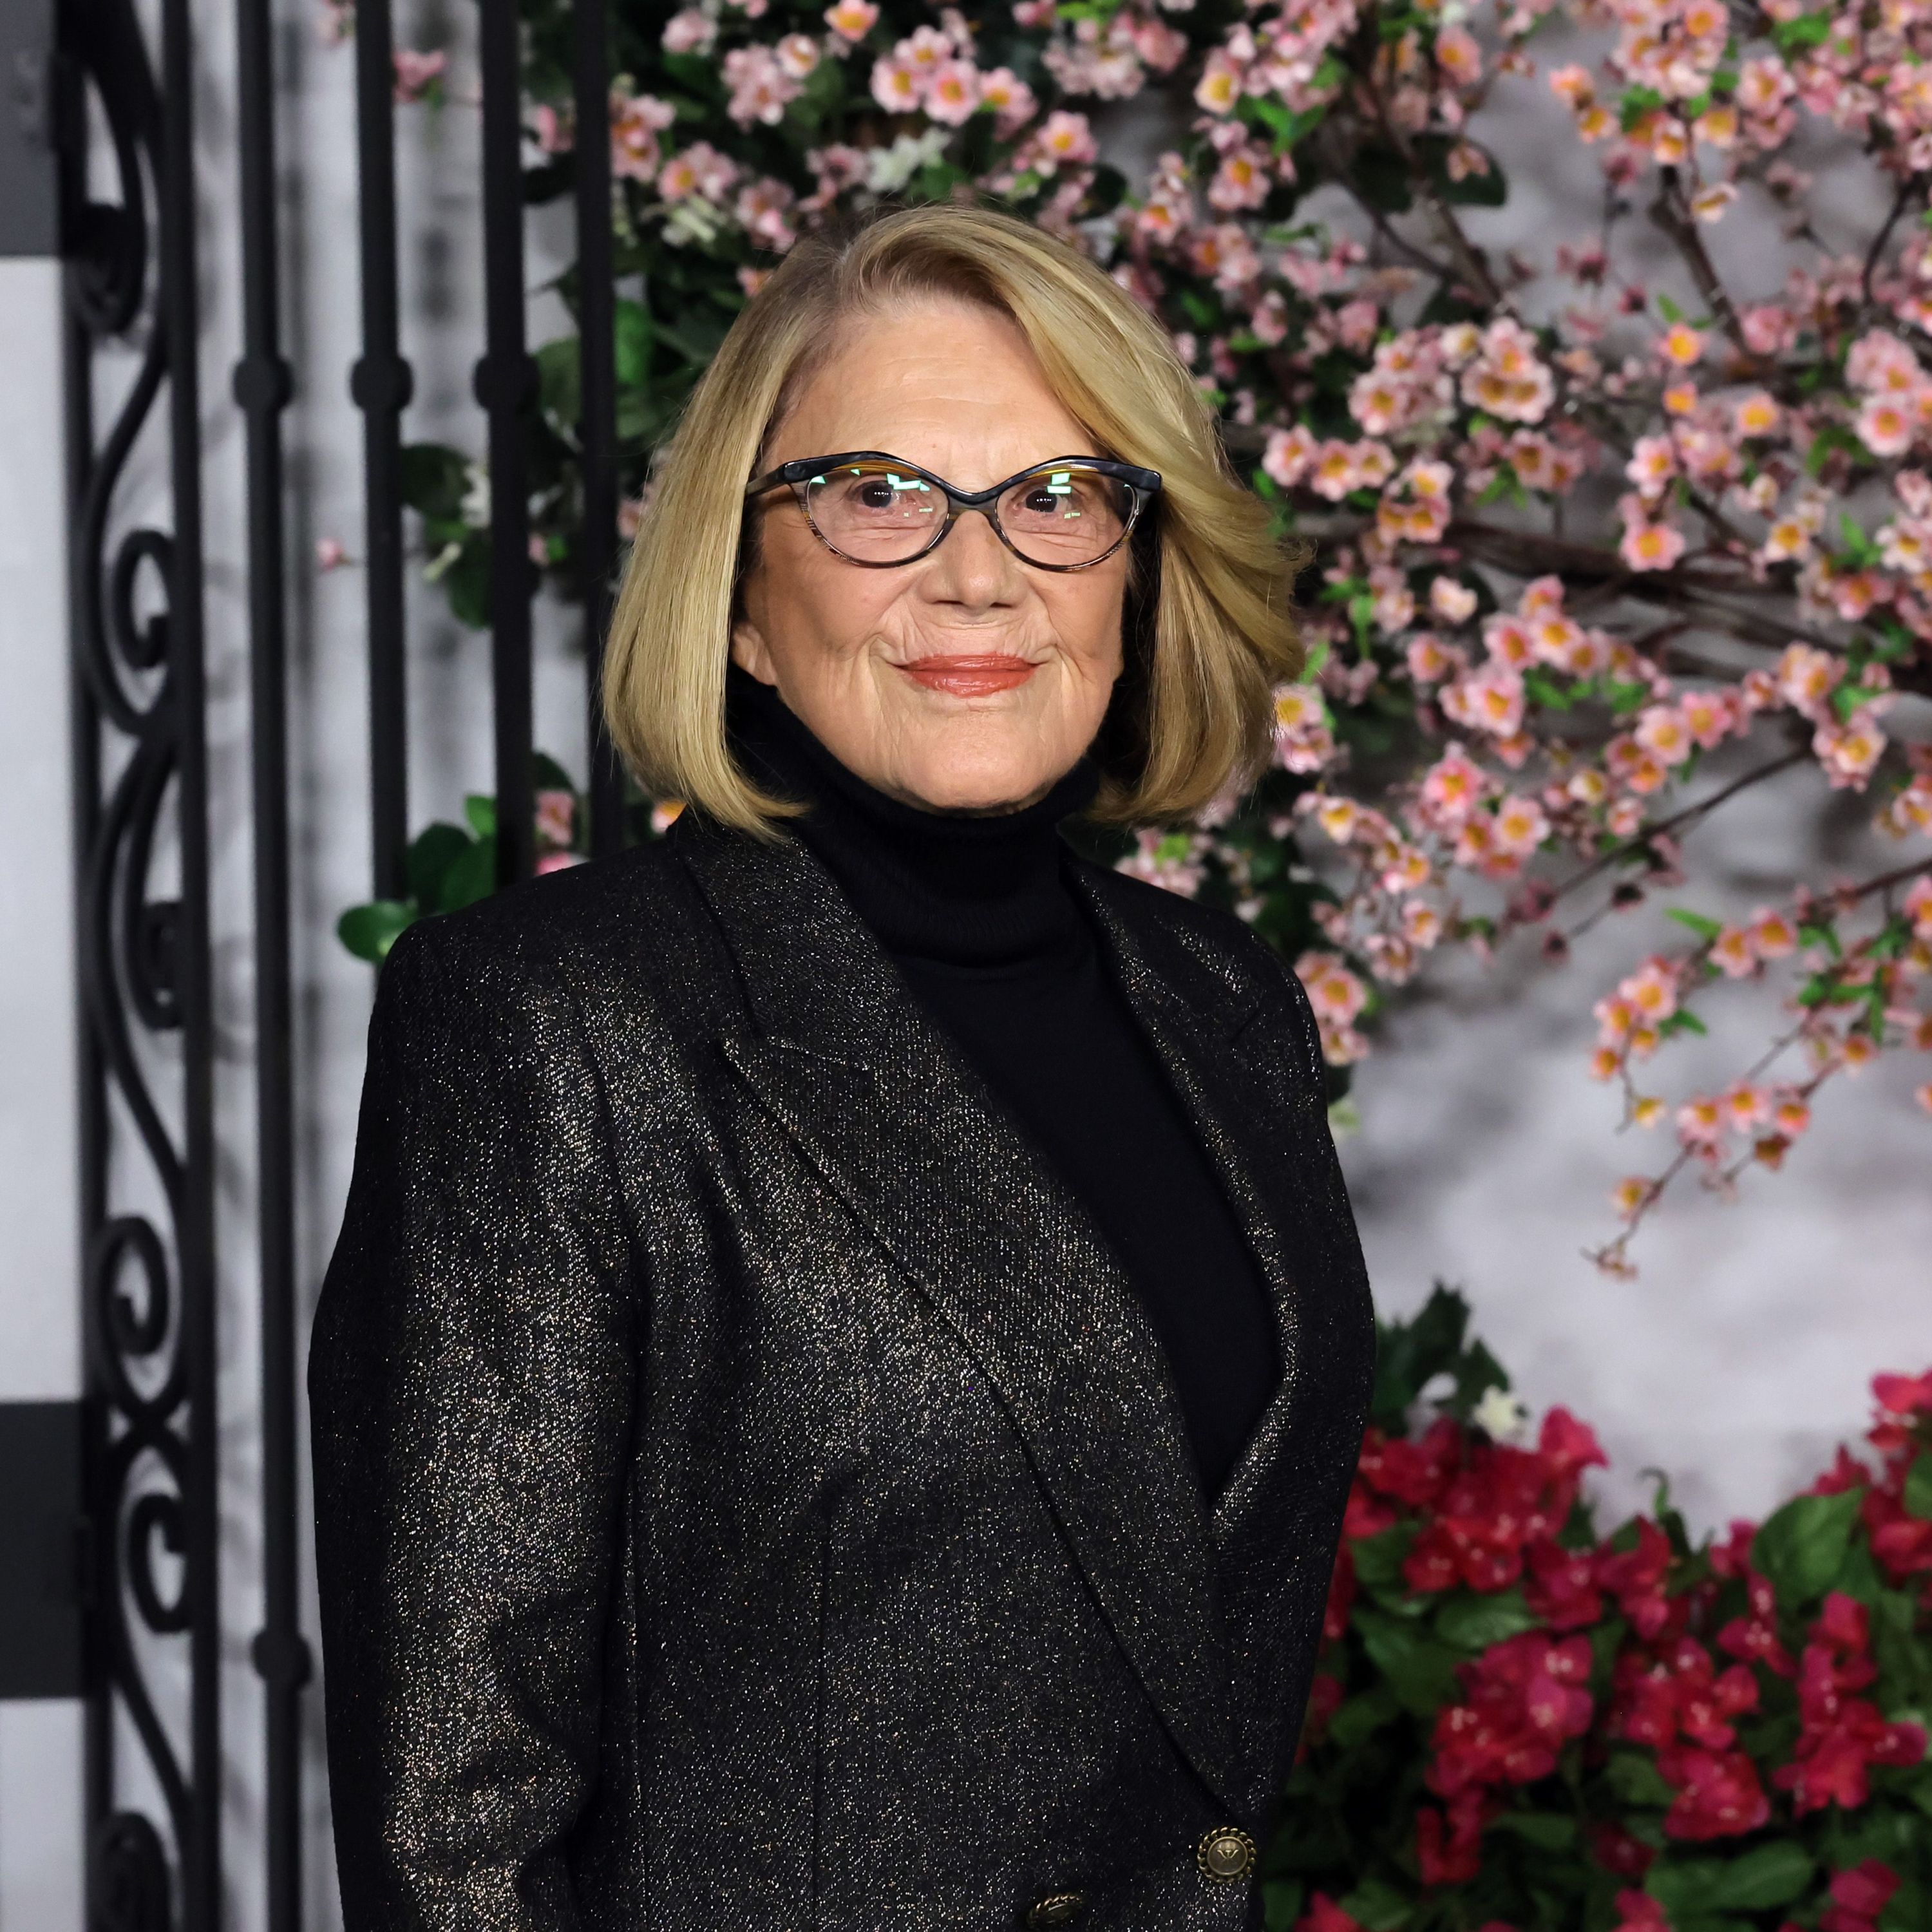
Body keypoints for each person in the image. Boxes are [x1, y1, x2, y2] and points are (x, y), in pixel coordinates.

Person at [309, 199, 1376, 1932]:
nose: (980, 571)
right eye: (880, 494)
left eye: (1057, 495)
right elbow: (456, 1821)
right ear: (739, 595)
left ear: (1137, 571)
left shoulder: (1226, 1001)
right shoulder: (548, 1023)